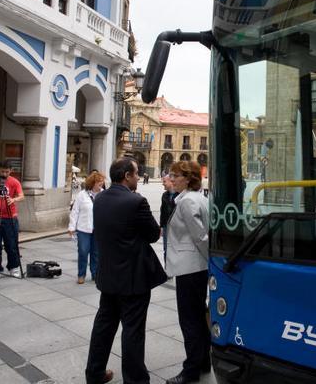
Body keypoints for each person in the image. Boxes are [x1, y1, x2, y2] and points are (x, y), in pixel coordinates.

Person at [85, 157, 166, 384]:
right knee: (133, 331)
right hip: (133, 279)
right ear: (127, 176)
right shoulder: (136, 201)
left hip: (108, 276)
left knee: (103, 326)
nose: (138, 177)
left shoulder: (99, 199)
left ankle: (94, 373)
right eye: (136, 173)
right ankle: (135, 380)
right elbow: (152, 234)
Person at [165, 160, 211, 384]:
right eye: (171, 175)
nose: (171, 179)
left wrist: (209, 260)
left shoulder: (187, 201)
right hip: (195, 267)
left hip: (190, 267)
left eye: (176, 176)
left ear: (189, 179)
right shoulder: (196, 198)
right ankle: (203, 361)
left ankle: (190, 370)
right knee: (198, 317)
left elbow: (201, 237)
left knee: (190, 320)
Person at [69, 171, 105, 284]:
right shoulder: (82, 195)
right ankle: (81, 274)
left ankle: (95, 274)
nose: (101, 184)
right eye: (99, 182)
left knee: (96, 253)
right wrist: (71, 227)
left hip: (98, 229)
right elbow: (75, 211)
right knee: (83, 251)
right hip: (84, 228)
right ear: (92, 183)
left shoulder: (104, 194)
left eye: (102, 182)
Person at [159, 174, 178, 261]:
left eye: (164, 181)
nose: (163, 183)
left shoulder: (179, 194)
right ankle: (167, 271)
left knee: (176, 249)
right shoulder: (164, 195)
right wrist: (162, 226)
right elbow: (162, 211)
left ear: (171, 182)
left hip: (176, 228)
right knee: (166, 249)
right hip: (167, 227)